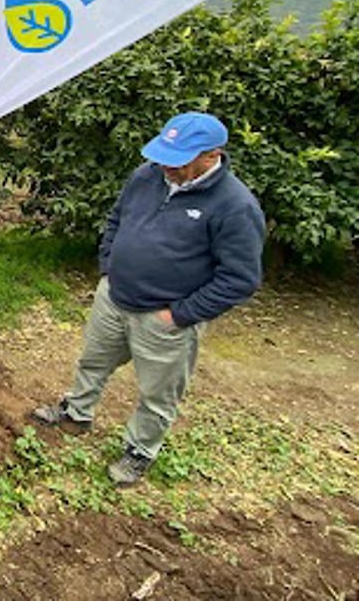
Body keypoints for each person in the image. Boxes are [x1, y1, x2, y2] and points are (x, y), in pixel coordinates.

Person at [32, 112, 265, 486]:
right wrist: (108, 267)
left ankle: (140, 450)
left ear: (211, 156)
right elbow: (116, 220)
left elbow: (240, 279)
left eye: (178, 160)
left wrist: (180, 315)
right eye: (164, 156)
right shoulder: (146, 176)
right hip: (114, 297)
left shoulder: (235, 206)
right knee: (93, 361)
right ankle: (77, 412)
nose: (165, 166)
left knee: (158, 393)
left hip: (164, 317)